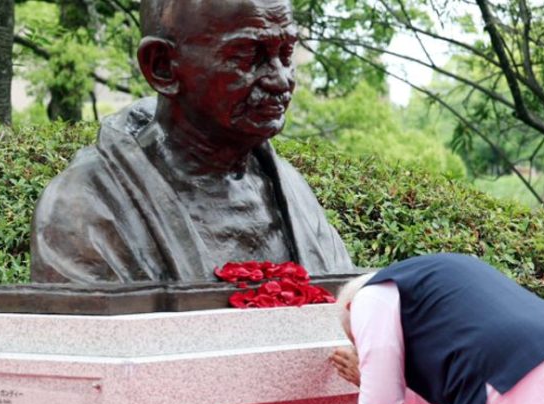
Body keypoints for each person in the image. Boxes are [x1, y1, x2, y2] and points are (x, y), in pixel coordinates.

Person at [30, 0, 354, 284]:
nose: (281, 79)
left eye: (285, 54)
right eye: (247, 56)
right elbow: (96, 340)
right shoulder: (86, 205)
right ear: (162, 67)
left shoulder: (293, 193)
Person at [330, 253, 544, 404]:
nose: (362, 351)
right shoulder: (434, 280)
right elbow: (461, 396)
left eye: (358, 342)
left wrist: (371, 379)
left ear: (352, 310)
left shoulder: (369, 298)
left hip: (511, 372)